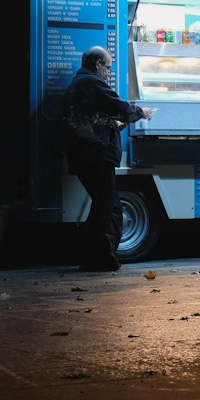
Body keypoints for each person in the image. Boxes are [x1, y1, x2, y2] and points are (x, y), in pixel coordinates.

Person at [62, 46, 154, 272]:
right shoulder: (91, 83)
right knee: (108, 206)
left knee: (104, 205)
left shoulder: (78, 85)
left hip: (86, 154)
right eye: (108, 67)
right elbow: (118, 106)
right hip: (96, 154)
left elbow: (95, 119)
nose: (109, 72)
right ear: (97, 64)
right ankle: (101, 257)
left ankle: (94, 257)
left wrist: (118, 125)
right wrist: (142, 112)